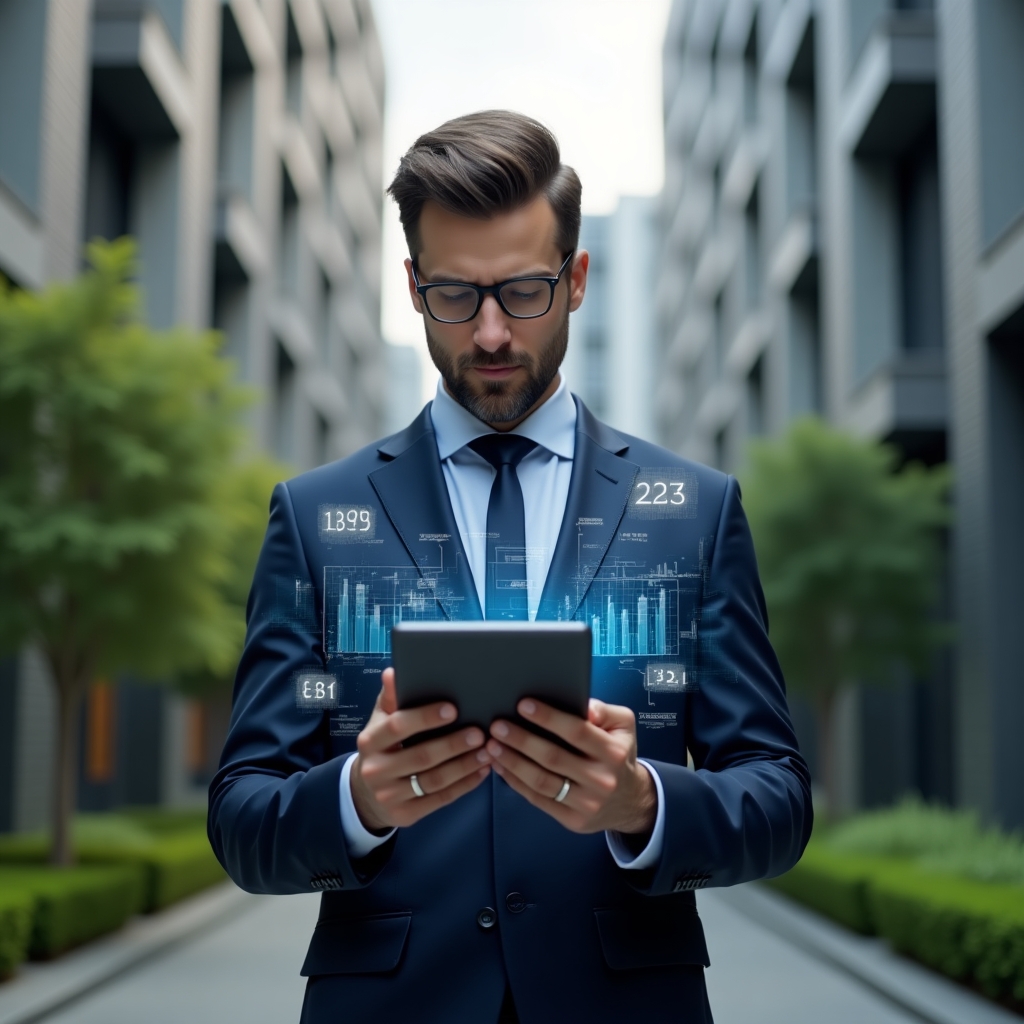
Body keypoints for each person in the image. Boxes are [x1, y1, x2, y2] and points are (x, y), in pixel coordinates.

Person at [209, 110, 812, 1024]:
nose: (490, 332)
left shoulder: (694, 512)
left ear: (577, 279)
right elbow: (243, 817)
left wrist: (643, 802)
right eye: (455, 296)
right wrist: (357, 801)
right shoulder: (313, 519)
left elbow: (775, 796)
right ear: (412, 288)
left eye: (523, 292)